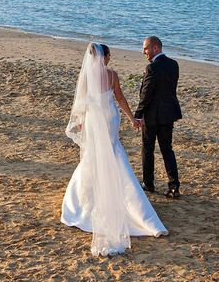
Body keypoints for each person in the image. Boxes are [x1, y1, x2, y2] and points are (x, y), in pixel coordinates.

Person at [62, 43, 168, 257]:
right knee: (113, 151)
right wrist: (132, 118)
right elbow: (120, 99)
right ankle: (131, 206)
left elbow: (80, 104)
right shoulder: (111, 75)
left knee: (94, 154)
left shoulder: (85, 77)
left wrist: (82, 122)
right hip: (109, 117)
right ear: (105, 57)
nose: (109, 59)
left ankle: (84, 202)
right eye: (108, 56)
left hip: (93, 119)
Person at [133, 36, 182, 198]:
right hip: (168, 114)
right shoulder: (174, 65)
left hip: (152, 115)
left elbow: (146, 93)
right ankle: (174, 186)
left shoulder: (152, 68)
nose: (143, 52)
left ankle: (148, 183)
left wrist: (138, 114)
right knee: (167, 149)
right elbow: (169, 89)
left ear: (155, 48)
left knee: (148, 149)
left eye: (146, 48)